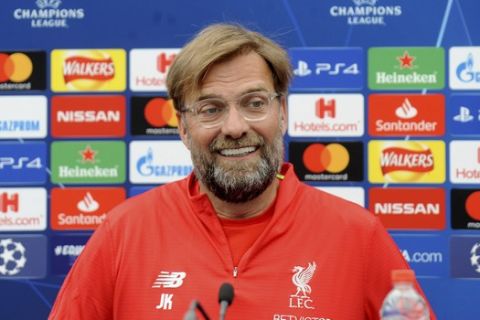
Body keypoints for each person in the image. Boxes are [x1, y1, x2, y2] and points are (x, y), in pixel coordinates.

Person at [49, 23, 436, 319]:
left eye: (254, 103)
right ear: (183, 127)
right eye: (210, 109)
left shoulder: (358, 236)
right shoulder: (124, 232)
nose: (235, 127)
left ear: (282, 113)